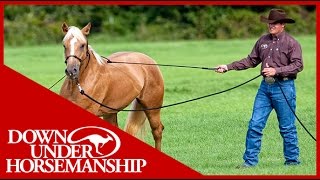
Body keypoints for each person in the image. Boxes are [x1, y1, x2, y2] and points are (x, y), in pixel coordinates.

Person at [215, 8, 303, 168]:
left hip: (284, 87)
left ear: (283, 24)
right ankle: (249, 163)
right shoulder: (262, 41)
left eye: (275, 23)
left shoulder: (292, 43)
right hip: (265, 89)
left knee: (287, 127)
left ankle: (292, 161)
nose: (271, 26)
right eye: (270, 23)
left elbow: (298, 65)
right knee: (255, 124)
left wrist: (276, 70)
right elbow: (250, 60)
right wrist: (227, 67)